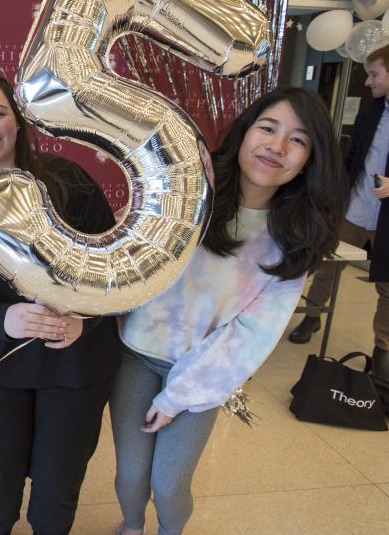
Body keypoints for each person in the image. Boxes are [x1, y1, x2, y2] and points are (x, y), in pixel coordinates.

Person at [111, 87, 346, 535]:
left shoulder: (296, 237)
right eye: (268, 128)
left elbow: (252, 333)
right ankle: (133, 526)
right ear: (245, 131)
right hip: (136, 354)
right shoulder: (184, 192)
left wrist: (178, 396)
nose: (277, 147)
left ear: (311, 159)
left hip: (204, 374)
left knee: (169, 482)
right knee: (129, 475)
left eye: (297, 140)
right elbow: (124, 256)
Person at [0, 67, 120, 535]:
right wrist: (5, 318)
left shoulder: (68, 181)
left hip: (75, 363)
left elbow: (112, 270)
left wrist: (84, 320)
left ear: (18, 120)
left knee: (58, 482)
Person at [289, 45, 389, 379]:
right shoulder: (370, 115)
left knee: (388, 287)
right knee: (326, 266)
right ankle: (312, 316)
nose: (368, 81)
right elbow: (351, 161)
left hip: (385, 221)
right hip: (354, 210)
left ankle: (383, 349)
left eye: (374, 74)